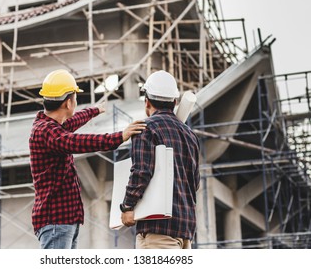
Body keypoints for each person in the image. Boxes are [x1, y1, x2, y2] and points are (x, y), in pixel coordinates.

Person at [29, 69, 146, 249]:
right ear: (69, 103)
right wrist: (119, 136)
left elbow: (72, 122)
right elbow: (77, 142)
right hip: (55, 222)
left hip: (62, 221)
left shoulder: (50, 127)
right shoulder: (47, 132)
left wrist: (94, 111)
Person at [120, 70, 200, 249]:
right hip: (185, 231)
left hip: (158, 229)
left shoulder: (145, 128)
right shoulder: (191, 136)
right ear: (175, 102)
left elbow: (141, 172)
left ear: (146, 101)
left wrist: (127, 207)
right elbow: (195, 183)